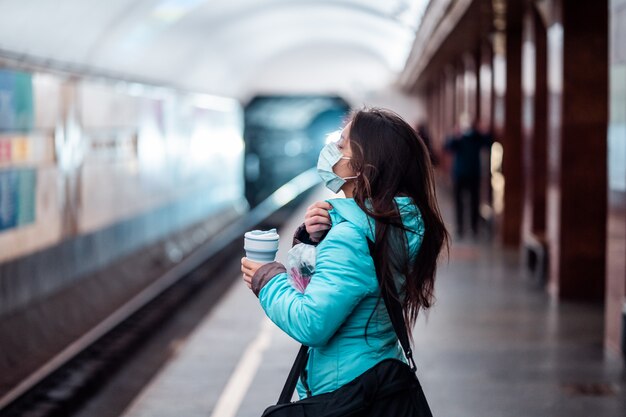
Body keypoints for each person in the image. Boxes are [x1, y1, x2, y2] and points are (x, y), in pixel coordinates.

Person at [241, 107, 449, 401]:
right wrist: (319, 240)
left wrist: (267, 278)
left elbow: (310, 323)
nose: (331, 150)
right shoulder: (397, 223)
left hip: (344, 391)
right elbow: (362, 282)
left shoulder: (351, 238)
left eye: (340, 145)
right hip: (378, 372)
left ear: (363, 166)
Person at [444, 115, 493, 239]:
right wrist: (454, 134)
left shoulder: (477, 137)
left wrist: (484, 130)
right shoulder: (459, 138)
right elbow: (447, 146)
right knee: (459, 202)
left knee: (474, 202)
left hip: (474, 174)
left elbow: (489, 143)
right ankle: (460, 227)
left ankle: (474, 227)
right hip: (459, 175)